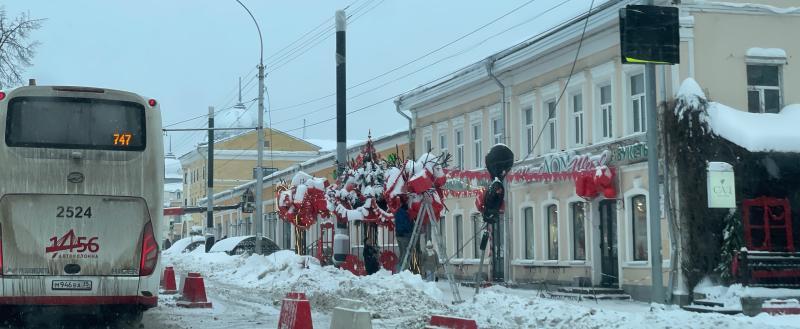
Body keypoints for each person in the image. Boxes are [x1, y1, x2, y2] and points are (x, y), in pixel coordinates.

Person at [394, 199, 412, 271]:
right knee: (405, 252)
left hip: (398, 235)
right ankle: (402, 269)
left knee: (402, 252)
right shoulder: (405, 214)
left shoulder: (398, 212)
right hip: (404, 235)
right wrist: (411, 227)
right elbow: (406, 224)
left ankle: (399, 267)